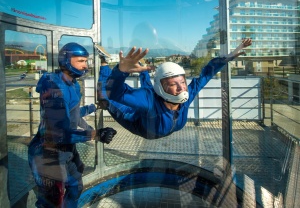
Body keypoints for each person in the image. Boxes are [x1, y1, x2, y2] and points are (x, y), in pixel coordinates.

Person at [103, 39, 252, 140]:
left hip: (153, 111)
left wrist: (231, 55)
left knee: (147, 87)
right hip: (138, 124)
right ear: (161, 87)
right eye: (173, 84)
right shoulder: (149, 100)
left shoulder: (186, 97)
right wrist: (120, 71)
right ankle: (103, 64)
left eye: (182, 81)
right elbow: (115, 93)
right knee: (106, 96)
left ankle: (143, 70)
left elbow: (207, 73)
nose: (181, 88)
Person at [28, 42, 117, 208]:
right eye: (81, 61)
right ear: (67, 61)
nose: (86, 65)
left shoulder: (73, 84)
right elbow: (58, 132)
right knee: (52, 201)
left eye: (86, 61)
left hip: (66, 149)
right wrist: (96, 134)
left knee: (75, 187)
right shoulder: (54, 86)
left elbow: (72, 114)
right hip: (49, 153)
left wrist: (93, 107)